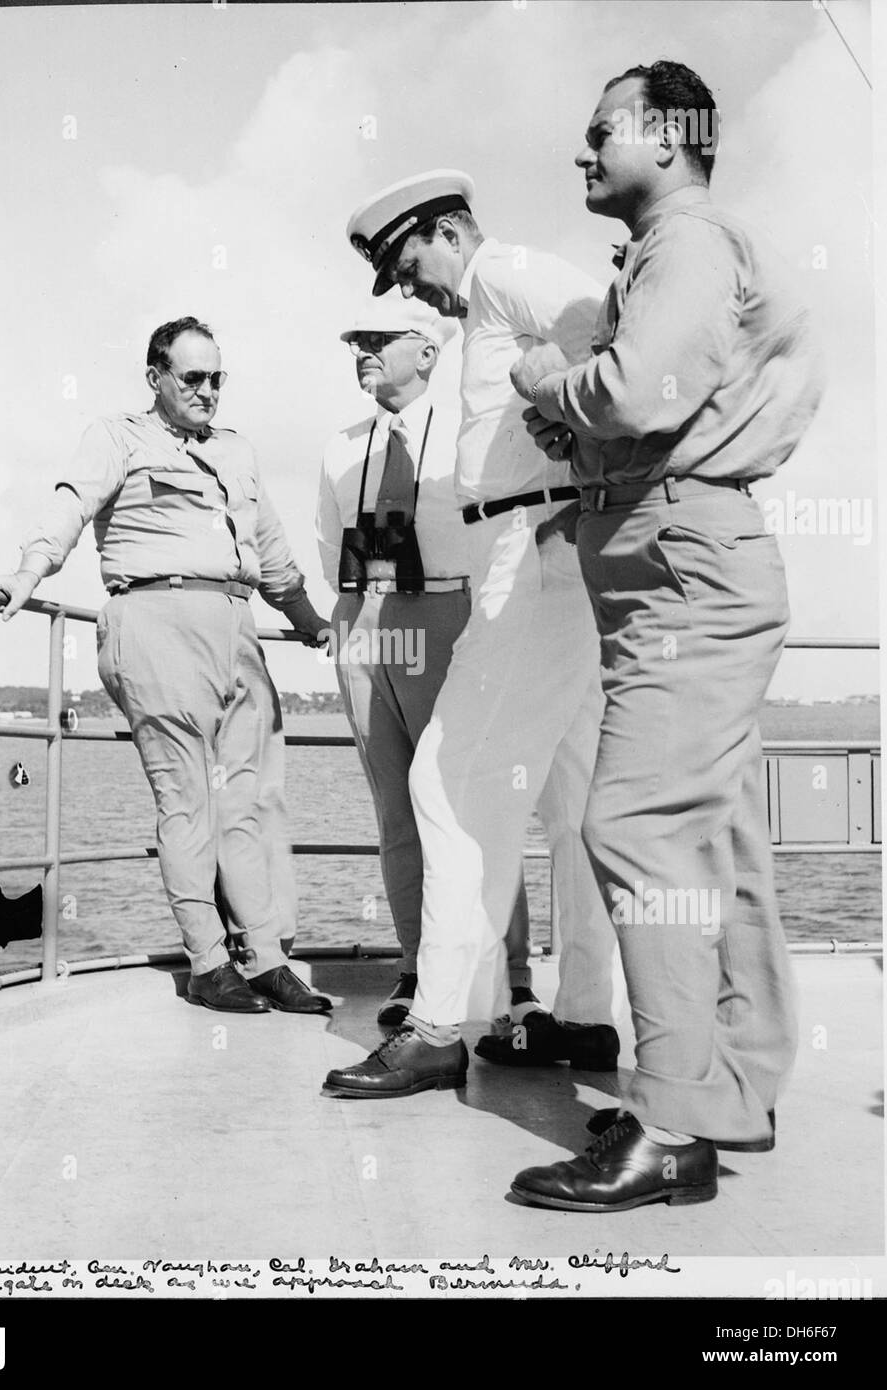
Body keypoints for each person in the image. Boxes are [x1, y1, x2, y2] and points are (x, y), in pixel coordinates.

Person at [508, 60, 824, 1210]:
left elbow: (635, 397)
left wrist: (545, 377)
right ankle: (732, 1089)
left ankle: (670, 1129)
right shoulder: (674, 251)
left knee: (636, 822)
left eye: (601, 131)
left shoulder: (687, 244)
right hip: (680, 559)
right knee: (714, 840)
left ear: (671, 137)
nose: (582, 153)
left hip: (679, 565)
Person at [323, 171, 621, 1099]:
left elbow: (603, 336)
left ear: (449, 232)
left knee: (444, 786)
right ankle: (581, 1019)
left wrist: (579, 469)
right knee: (573, 808)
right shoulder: (483, 305)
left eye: (409, 267)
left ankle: (438, 1026)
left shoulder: (505, 274)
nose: (410, 291)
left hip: (533, 552)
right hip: (543, 545)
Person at [0, 316, 332, 1015]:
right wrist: (29, 571)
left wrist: (311, 624)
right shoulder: (118, 436)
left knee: (253, 801)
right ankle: (208, 962)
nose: (207, 392)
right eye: (192, 379)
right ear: (155, 379)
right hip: (154, 621)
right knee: (188, 800)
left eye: (216, 379)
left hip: (237, 628)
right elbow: (71, 503)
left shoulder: (238, 453)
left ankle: (265, 958)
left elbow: (272, 552)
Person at [316, 293, 539, 1027]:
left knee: (466, 802)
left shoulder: (462, 437)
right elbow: (328, 544)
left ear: (429, 353)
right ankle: (416, 969)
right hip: (361, 619)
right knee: (395, 809)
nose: (364, 351)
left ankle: (511, 980)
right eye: (357, 339)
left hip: (445, 610)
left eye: (380, 338)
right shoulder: (342, 445)